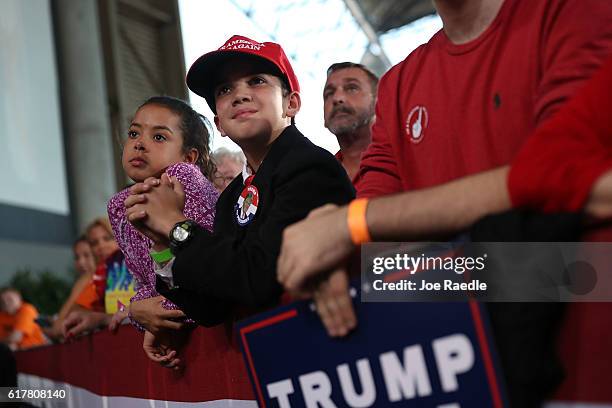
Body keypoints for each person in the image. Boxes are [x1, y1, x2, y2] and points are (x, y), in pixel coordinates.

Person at [277, 0, 612, 405]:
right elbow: (376, 222)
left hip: (584, 358)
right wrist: (340, 261)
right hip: (459, 363)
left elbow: (564, 174)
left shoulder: (574, 12)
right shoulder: (401, 81)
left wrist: (349, 228)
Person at [124, 34, 354, 368]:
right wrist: (161, 244)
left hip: (332, 352)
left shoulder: (309, 165)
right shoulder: (231, 195)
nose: (240, 94)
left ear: (291, 104)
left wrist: (176, 226)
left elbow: (257, 279)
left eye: (256, 81)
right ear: (219, 123)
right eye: (224, 90)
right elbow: (210, 308)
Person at [107, 96, 218, 364]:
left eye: (159, 137)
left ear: (189, 157)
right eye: (134, 133)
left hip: (218, 330)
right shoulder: (119, 206)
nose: (139, 143)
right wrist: (145, 316)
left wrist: (140, 312)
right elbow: (148, 285)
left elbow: (204, 285)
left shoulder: (185, 179)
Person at [63, 218, 135, 337]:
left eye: (107, 238)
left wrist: (100, 319)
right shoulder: (99, 275)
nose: (101, 246)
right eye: (94, 243)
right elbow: (75, 312)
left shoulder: (142, 260)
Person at [323, 62, 378, 184]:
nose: (337, 98)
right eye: (329, 93)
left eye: (352, 88)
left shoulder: (403, 160)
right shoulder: (318, 176)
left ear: (378, 101)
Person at [43, 236, 97, 341]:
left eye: (87, 255)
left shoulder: (91, 281)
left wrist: (44, 330)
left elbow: (58, 329)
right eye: (77, 257)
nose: (81, 262)